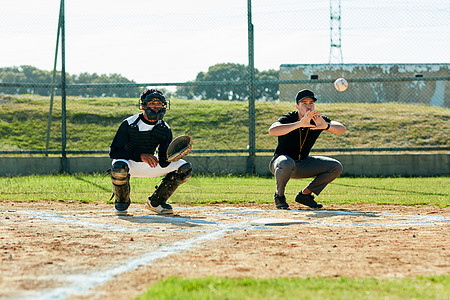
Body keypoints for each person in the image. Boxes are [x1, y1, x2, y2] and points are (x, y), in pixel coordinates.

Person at [109, 88, 192, 214]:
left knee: (185, 168)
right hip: (129, 164)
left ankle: (155, 202)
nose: (156, 107)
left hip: (150, 163)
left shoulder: (164, 128)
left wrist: (174, 156)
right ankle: (122, 201)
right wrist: (140, 156)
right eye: (152, 103)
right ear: (143, 106)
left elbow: (164, 162)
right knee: (118, 168)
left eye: (159, 103)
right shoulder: (129, 123)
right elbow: (114, 152)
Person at [268, 89, 346, 210]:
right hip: (281, 164)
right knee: (286, 162)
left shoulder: (317, 119)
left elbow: (341, 129)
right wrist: (299, 124)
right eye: (304, 103)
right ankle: (279, 196)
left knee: (336, 167)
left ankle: (305, 195)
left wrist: (326, 126)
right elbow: (272, 130)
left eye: (311, 103)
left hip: (303, 164)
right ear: (297, 106)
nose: (308, 106)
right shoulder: (290, 117)